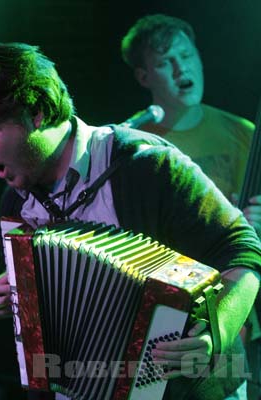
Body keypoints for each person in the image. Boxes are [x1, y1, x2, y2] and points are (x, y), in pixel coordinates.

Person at [0, 42, 261, 400]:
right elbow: (37, 289)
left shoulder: (146, 166)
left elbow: (243, 252)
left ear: (37, 112)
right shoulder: (15, 198)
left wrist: (217, 333)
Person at [121, 14, 261, 399]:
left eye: (187, 54)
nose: (183, 68)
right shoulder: (130, 144)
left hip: (232, 312)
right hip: (155, 311)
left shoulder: (242, 133)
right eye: (167, 61)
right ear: (144, 77)